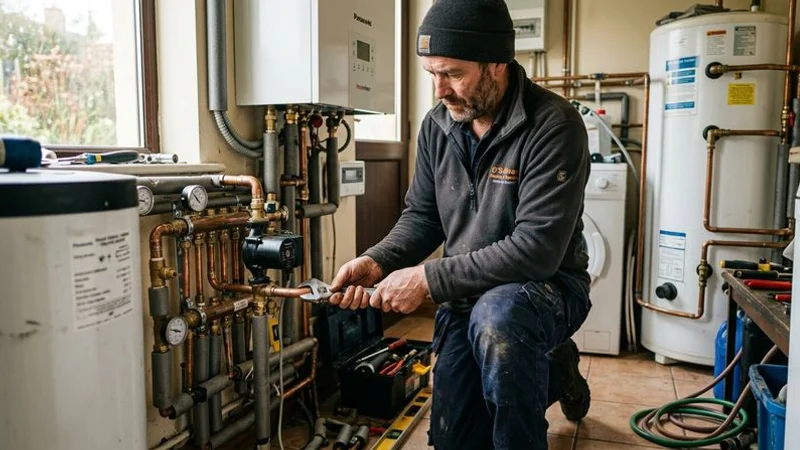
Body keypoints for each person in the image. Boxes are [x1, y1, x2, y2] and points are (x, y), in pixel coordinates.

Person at [329, 0, 592, 448]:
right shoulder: (438, 126)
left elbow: (536, 249)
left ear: (497, 63)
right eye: (432, 73)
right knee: (454, 438)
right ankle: (553, 369)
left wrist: (428, 278)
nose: (439, 90)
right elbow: (423, 216)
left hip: (547, 289)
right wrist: (377, 261)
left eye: (452, 74)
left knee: (501, 325)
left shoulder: (553, 125)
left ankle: (546, 367)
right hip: (465, 295)